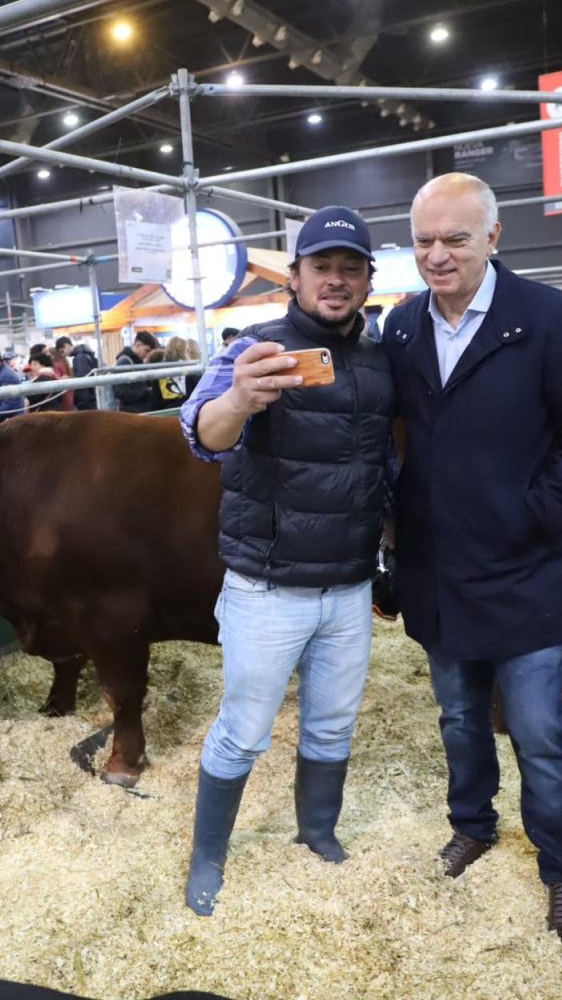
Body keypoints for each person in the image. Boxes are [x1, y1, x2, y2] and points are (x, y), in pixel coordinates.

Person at [383, 172, 562, 963]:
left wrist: (539, 513)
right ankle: (473, 826)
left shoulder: (548, 320)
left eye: (455, 238)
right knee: (459, 718)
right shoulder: (402, 326)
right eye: (423, 240)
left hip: (527, 568)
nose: (437, 254)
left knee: (539, 729)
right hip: (437, 571)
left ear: (493, 237)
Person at [179, 205, 393, 916]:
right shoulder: (253, 349)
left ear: (368, 280)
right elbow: (201, 434)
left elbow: (388, 464)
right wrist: (241, 399)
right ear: (294, 278)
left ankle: (318, 831)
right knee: (243, 732)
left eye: (350, 268)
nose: (336, 280)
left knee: (332, 723)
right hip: (267, 587)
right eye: (321, 266)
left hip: (349, 585)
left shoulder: (380, 359)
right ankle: (209, 855)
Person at [114, 330, 158, 413]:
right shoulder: (124, 362)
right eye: (147, 350)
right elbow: (121, 391)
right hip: (131, 412)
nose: (148, 355)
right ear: (138, 345)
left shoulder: (138, 362)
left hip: (138, 410)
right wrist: (147, 392)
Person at [70, 340, 99, 410]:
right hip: (92, 395)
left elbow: (82, 376)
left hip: (85, 398)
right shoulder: (88, 355)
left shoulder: (79, 357)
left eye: (62, 351)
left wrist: (70, 379)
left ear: (66, 345)